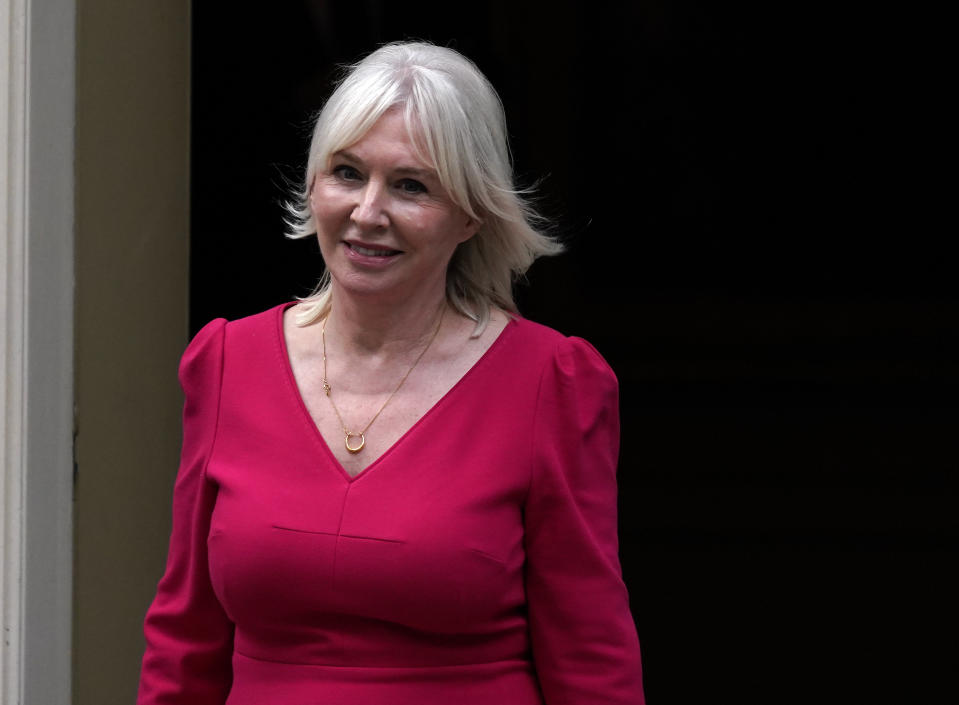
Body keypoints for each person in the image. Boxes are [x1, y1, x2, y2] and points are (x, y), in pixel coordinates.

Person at [137, 41, 645, 704]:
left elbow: (589, 659)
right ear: (313, 184)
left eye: (410, 185)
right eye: (346, 173)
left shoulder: (551, 381)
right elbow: (184, 641)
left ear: (470, 214)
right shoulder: (227, 361)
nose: (367, 212)